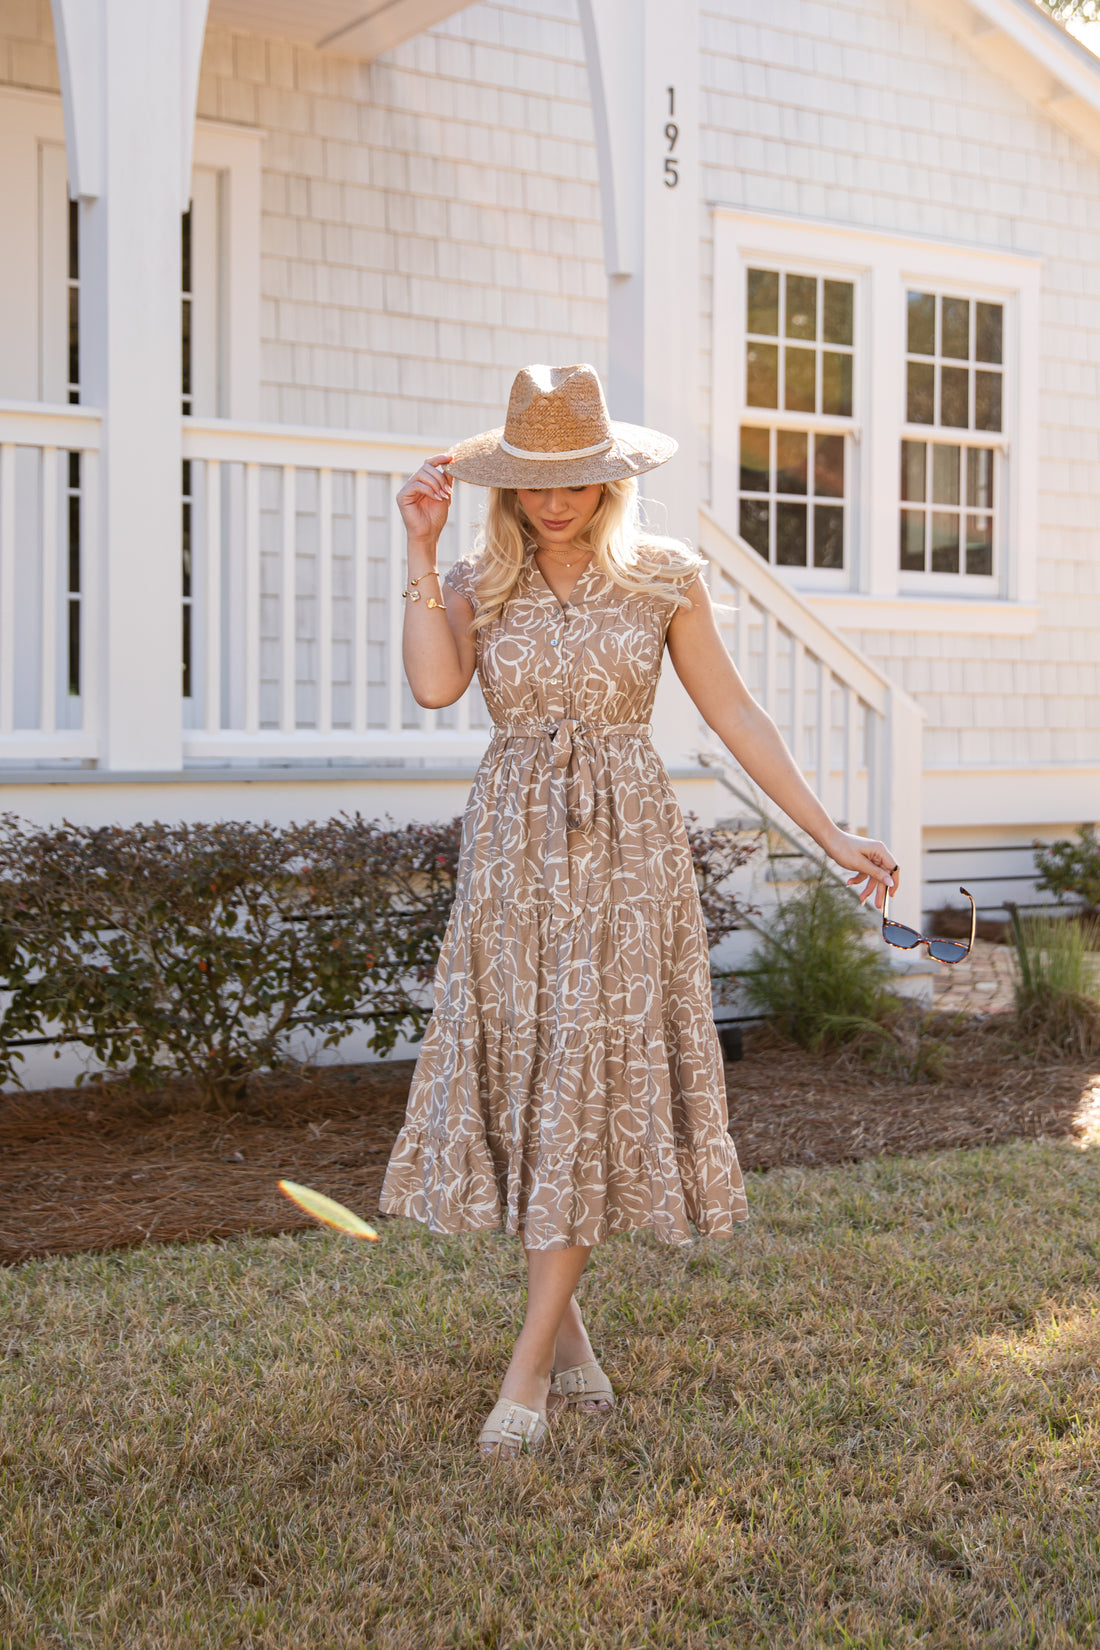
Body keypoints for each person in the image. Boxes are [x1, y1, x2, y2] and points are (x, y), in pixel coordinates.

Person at [378, 363, 899, 1458]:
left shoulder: (663, 577)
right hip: (513, 849)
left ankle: (525, 1370)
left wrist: (831, 833)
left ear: (609, 478)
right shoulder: (477, 576)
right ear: (506, 484)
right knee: (527, 1073)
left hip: (626, 857)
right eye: (531, 481)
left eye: (572, 480)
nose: (552, 501)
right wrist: (420, 555)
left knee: (586, 1071)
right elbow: (434, 687)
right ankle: (565, 1342)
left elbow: (736, 716)